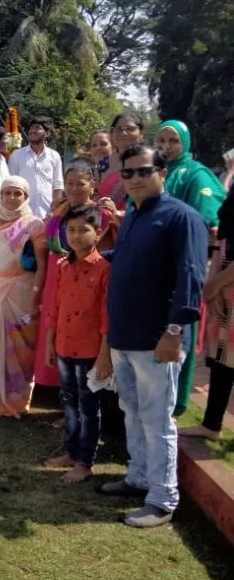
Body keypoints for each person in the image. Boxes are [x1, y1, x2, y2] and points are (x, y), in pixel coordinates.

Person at [102, 144, 208, 528]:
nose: (133, 180)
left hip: (156, 338)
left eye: (142, 172)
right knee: (132, 410)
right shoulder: (132, 214)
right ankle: (139, 476)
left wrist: (174, 330)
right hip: (124, 335)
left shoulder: (181, 218)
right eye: (127, 173)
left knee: (157, 418)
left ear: (162, 172)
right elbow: (132, 263)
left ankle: (163, 499)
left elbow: (191, 276)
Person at [155, 119, 227, 415]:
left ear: (185, 143)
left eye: (173, 141)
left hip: (181, 266)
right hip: (155, 268)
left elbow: (209, 218)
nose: (167, 147)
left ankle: (176, 405)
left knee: (178, 332)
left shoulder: (195, 174)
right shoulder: (155, 171)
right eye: (161, 140)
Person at [0, 176, 47, 418]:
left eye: (18, 194)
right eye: (7, 193)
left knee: (21, 345)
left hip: (21, 290)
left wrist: (35, 296)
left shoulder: (34, 224)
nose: (12, 198)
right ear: (0, 196)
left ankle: (16, 401)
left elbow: (42, 264)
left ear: (26, 197)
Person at [44, 205, 112, 483]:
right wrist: (50, 342)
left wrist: (104, 356)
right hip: (63, 346)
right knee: (69, 402)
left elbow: (108, 316)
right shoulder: (62, 266)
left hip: (90, 351)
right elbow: (56, 307)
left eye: (83, 229)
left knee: (88, 406)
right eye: (70, 230)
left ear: (97, 233)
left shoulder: (104, 269)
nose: (75, 235)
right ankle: (71, 451)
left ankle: (85, 461)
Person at [33, 159, 115, 389]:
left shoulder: (102, 215)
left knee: (83, 332)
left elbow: (105, 251)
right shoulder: (59, 211)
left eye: (80, 184)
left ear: (92, 185)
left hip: (89, 281)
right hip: (56, 276)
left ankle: (83, 393)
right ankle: (57, 384)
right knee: (56, 325)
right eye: (69, 184)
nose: (73, 189)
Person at [183, 190, 234, 441]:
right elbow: (221, 241)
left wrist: (214, 285)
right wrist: (211, 288)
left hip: (227, 284)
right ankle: (211, 424)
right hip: (223, 290)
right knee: (222, 359)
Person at [7, 118, 64, 218]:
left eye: (37, 128)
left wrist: (55, 208)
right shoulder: (17, 155)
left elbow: (58, 184)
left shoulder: (54, 156)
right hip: (22, 214)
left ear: (47, 134)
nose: (33, 131)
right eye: (31, 128)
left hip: (48, 213)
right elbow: (11, 184)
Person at [97, 112, 144, 211]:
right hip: (102, 221)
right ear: (111, 134)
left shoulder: (147, 163)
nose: (123, 133)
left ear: (141, 135)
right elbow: (96, 193)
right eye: (119, 129)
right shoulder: (104, 163)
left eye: (130, 129)